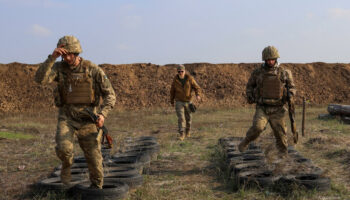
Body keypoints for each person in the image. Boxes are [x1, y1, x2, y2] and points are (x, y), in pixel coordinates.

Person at [35, 35, 116, 189]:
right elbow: (40, 79)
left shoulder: (92, 69)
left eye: (68, 54)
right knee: (63, 149)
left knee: (94, 158)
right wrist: (52, 58)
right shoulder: (59, 69)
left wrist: (103, 114)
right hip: (67, 117)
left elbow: (110, 95)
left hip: (88, 118)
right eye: (63, 55)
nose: (65, 58)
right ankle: (66, 165)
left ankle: (96, 190)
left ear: (76, 52)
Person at [238, 46, 296, 157]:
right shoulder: (257, 72)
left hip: (278, 109)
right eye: (268, 59)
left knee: (281, 134)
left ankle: (283, 157)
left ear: (276, 59)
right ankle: (245, 142)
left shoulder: (284, 72)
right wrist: (250, 96)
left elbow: (292, 87)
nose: (270, 61)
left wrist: (290, 94)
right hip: (262, 108)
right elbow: (249, 86)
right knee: (257, 128)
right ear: (264, 60)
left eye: (272, 59)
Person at [170, 64, 201, 141]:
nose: (180, 73)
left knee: (188, 118)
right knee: (181, 118)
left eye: (182, 71)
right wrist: (172, 101)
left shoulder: (190, 79)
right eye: (179, 71)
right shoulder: (175, 80)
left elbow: (197, 87)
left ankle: (188, 131)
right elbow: (172, 91)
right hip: (178, 101)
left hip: (188, 101)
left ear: (185, 71)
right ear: (177, 72)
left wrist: (197, 95)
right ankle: (182, 134)